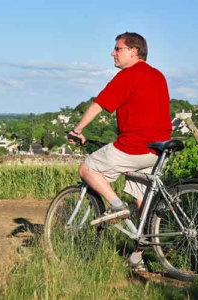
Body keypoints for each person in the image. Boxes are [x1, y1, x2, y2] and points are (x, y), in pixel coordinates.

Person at [68, 32, 172, 271]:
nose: (112, 53)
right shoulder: (158, 76)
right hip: (157, 149)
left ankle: (115, 205)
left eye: (118, 48)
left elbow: (99, 105)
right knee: (142, 204)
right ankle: (137, 259)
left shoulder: (128, 75)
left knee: (87, 167)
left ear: (134, 51)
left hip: (134, 146)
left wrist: (78, 129)